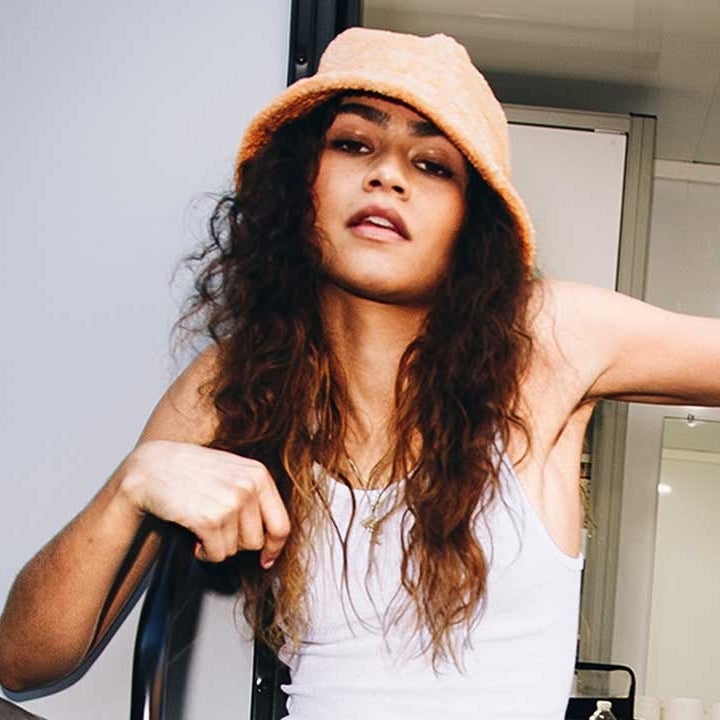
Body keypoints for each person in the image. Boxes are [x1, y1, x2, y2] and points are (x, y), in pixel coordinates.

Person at [0, 26, 718, 720]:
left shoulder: (546, 340)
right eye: (353, 143)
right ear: (299, 181)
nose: (387, 175)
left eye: (432, 164)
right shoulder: (234, 381)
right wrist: (133, 483)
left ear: (472, 222)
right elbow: (21, 661)